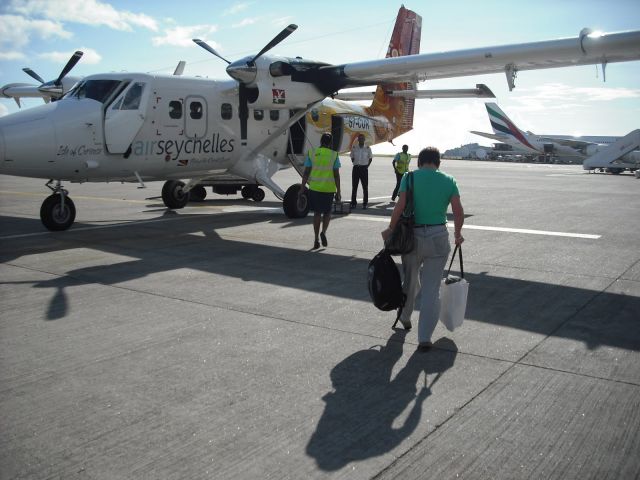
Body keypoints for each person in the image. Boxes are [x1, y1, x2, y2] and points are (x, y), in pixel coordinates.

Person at [381, 147, 464, 352]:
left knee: (409, 280)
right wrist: (457, 234)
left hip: (412, 237)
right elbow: (458, 210)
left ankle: (405, 317)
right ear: (438, 163)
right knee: (432, 289)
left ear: (419, 162)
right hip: (438, 236)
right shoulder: (448, 180)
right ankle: (424, 337)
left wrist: (391, 229)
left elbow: (400, 206)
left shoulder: (409, 178)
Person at [299, 133, 342, 250]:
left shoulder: (312, 153)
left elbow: (306, 173)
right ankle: (324, 232)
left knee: (317, 214)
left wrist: (302, 188)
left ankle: (316, 239)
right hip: (328, 189)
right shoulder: (334, 155)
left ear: (321, 141)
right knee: (327, 213)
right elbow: (336, 175)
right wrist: (339, 192)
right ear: (330, 143)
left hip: (315, 189)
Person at [349, 133, 372, 209]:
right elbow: (352, 156)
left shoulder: (368, 148)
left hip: (364, 169)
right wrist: (355, 163)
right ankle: (353, 203)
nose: (361, 139)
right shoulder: (354, 147)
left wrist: (367, 166)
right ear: (358, 139)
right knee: (354, 187)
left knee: (365, 187)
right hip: (356, 169)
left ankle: (365, 204)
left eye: (362, 138)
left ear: (364, 139)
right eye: (360, 138)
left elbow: (370, 158)